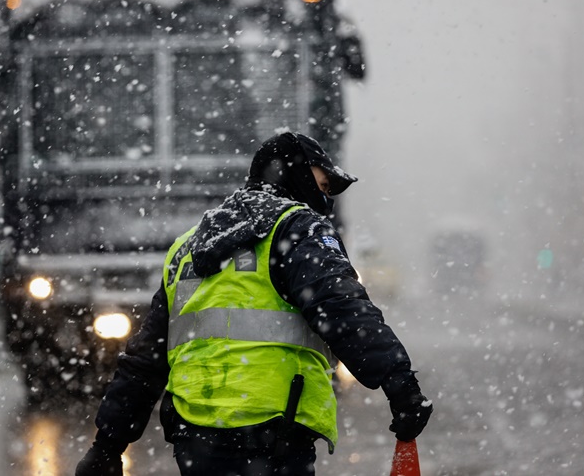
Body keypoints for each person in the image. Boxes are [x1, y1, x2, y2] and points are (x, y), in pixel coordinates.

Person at [75, 132, 433, 476]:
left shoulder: (187, 246)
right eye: (323, 186)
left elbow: (147, 357)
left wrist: (107, 444)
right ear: (295, 174)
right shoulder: (298, 231)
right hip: (276, 429)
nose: (326, 200)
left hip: (195, 435)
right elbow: (343, 309)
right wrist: (398, 382)